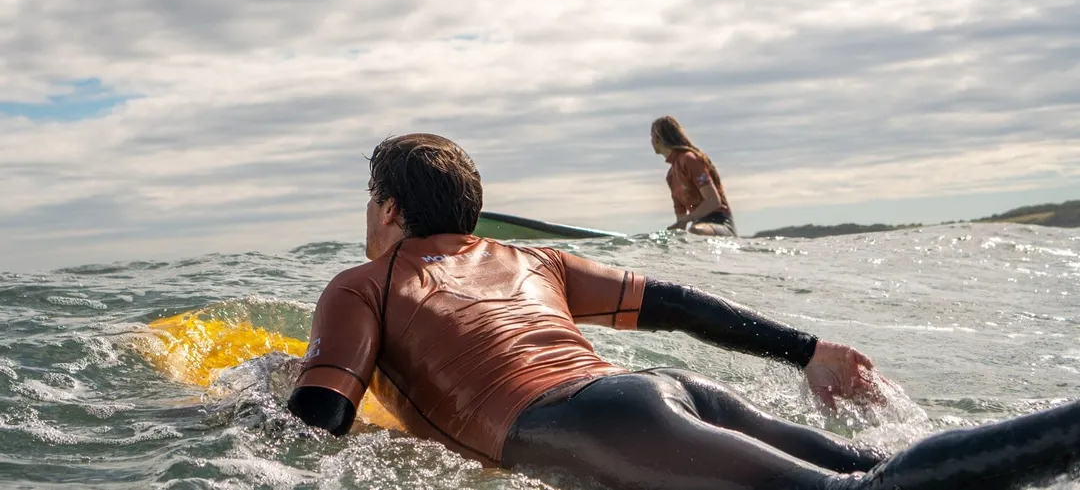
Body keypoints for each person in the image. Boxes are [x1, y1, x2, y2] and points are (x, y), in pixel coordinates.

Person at [288, 133, 1080, 490]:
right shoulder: (535, 260)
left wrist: (249, 402)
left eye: (369, 198)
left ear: (388, 206)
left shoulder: (364, 284)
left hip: (590, 422)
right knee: (870, 464)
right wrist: (807, 348)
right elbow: (674, 303)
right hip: (658, 391)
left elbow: (316, 426)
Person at [651, 115, 737, 237]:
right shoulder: (671, 176)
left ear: (658, 139)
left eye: (652, 137)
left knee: (695, 231)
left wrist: (687, 219)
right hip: (698, 225)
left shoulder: (689, 159)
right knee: (677, 237)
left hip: (720, 223)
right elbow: (681, 221)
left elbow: (713, 201)